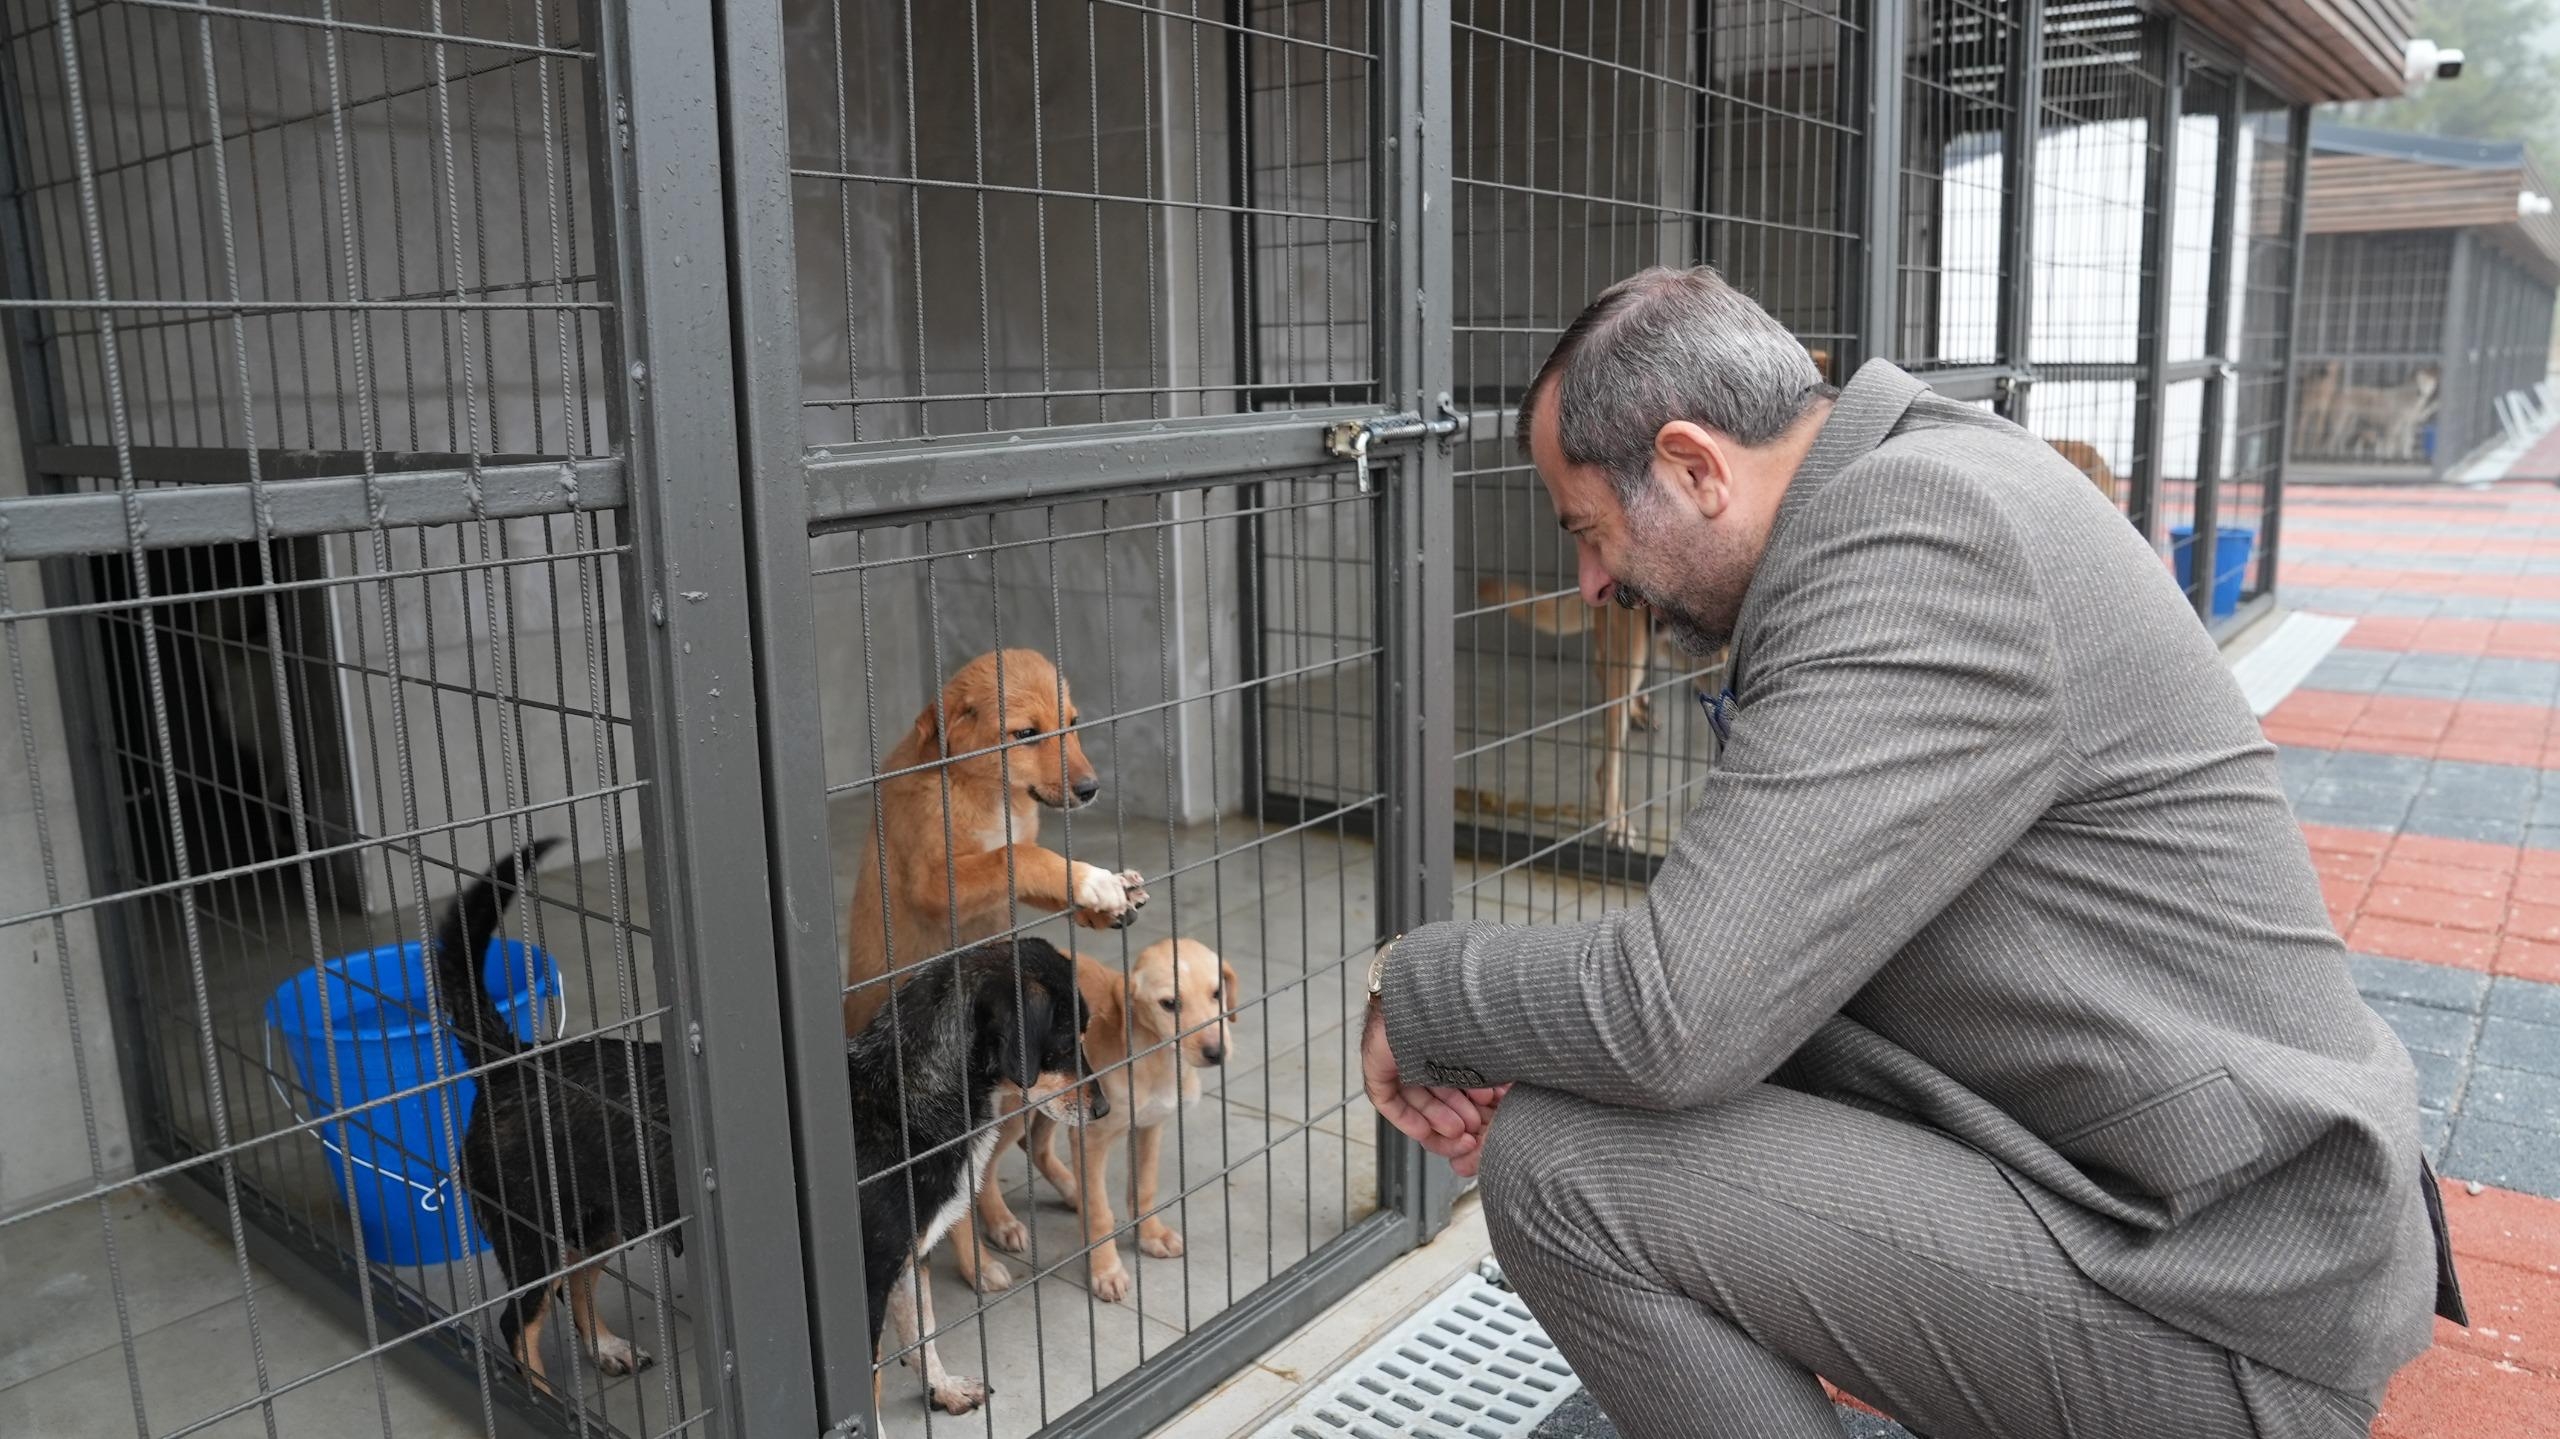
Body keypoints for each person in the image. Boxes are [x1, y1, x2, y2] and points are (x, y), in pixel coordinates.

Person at [1359, 266, 2462, 1439]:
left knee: (1559, 1165)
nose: (1589, 582)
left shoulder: (1918, 539)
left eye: (1588, 530)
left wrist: (1413, 991)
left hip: (2226, 1309)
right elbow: (1744, 984)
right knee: (1626, 1089)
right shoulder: (1931, 477)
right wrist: (1548, 1034)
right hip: (2186, 1215)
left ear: (1693, 466)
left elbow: (1674, 1008)